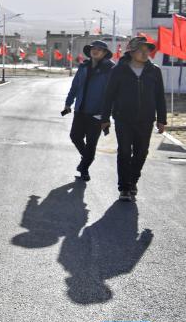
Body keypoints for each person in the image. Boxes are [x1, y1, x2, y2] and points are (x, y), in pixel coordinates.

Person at [101, 36, 167, 202]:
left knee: (141, 152)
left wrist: (162, 119)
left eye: (147, 50)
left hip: (146, 120)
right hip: (123, 118)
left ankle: (132, 181)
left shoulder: (154, 71)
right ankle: (124, 187)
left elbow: (160, 96)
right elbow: (109, 95)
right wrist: (105, 118)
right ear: (131, 52)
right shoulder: (118, 70)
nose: (145, 53)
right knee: (124, 152)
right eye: (141, 50)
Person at [63, 40, 116, 182]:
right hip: (80, 110)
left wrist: (107, 113)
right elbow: (75, 86)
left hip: (98, 112)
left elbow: (112, 93)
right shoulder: (83, 66)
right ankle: (87, 157)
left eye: (99, 49)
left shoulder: (110, 69)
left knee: (91, 142)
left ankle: (84, 169)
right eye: (93, 48)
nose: (95, 50)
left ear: (104, 53)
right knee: (75, 136)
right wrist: (68, 103)